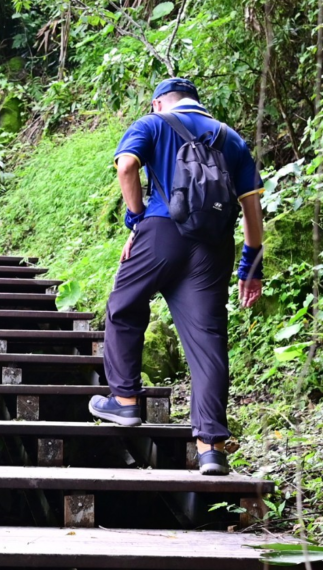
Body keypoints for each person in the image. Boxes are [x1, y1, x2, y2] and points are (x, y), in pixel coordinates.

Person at [88, 77, 265, 476]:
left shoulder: (152, 124)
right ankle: (211, 447)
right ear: (197, 103)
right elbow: (253, 210)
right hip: (212, 247)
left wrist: (135, 220)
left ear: (158, 104)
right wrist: (251, 268)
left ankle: (126, 402)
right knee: (207, 342)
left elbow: (128, 166)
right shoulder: (230, 138)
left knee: (124, 305)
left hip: (161, 232)